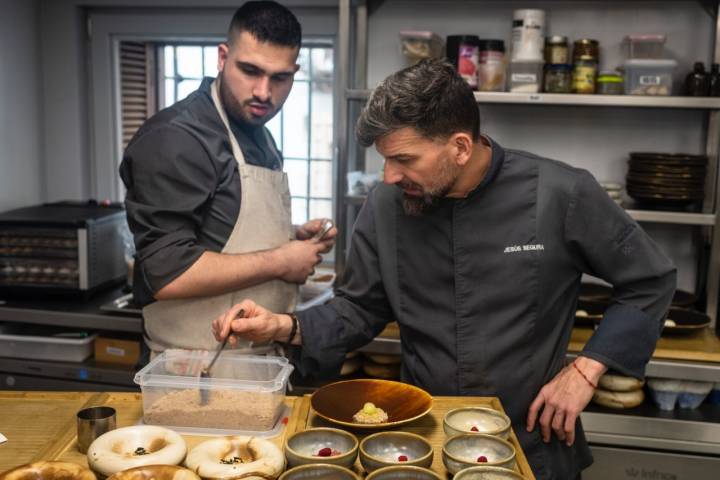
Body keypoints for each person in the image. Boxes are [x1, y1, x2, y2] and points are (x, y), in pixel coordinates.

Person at [211, 59, 676, 479]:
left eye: (404, 159)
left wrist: (584, 373)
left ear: (459, 146)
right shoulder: (386, 204)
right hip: (419, 442)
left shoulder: (561, 193)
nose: (389, 176)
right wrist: (283, 327)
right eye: (385, 159)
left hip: (531, 441)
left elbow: (649, 280)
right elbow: (359, 309)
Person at [120, 1, 335, 354]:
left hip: (256, 359)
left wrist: (292, 238)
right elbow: (168, 274)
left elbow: (216, 231)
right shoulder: (176, 138)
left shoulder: (258, 132)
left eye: (280, 77)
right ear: (222, 57)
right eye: (250, 70)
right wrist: (284, 260)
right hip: (191, 368)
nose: (264, 92)